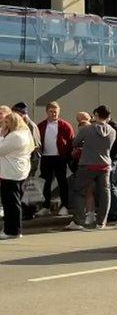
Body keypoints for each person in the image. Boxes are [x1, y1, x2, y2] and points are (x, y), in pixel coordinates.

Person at [67, 105, 117, 230]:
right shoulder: (112, 131)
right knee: (105, 193)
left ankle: (79, 221)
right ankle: (101, 222)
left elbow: (75, 143)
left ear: (95, 114)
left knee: (79, 192)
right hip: (105, 165)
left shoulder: (87, 129)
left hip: (87, 164)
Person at [0, 112, 35, 240]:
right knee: (12, 202)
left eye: (7, 122)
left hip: (11, 173)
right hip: (17, 171)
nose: (5, 125)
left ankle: (13, 230)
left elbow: (1, 149)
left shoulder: (15, 136)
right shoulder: (24, 133)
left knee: (11, 203)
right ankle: (10, 228)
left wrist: (2, 136)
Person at [36, 101, 75, 216]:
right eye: (51, 112)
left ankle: (64, 206)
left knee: (62, 182)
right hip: (46, 158)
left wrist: (68, 157)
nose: (53, 114)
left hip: (60, 158)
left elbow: (71, 141)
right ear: (47, 112)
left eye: (55, 112)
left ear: (59, 112)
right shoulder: (41, 125)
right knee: (46, 183)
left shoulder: (65, 125)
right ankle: (46, 206)